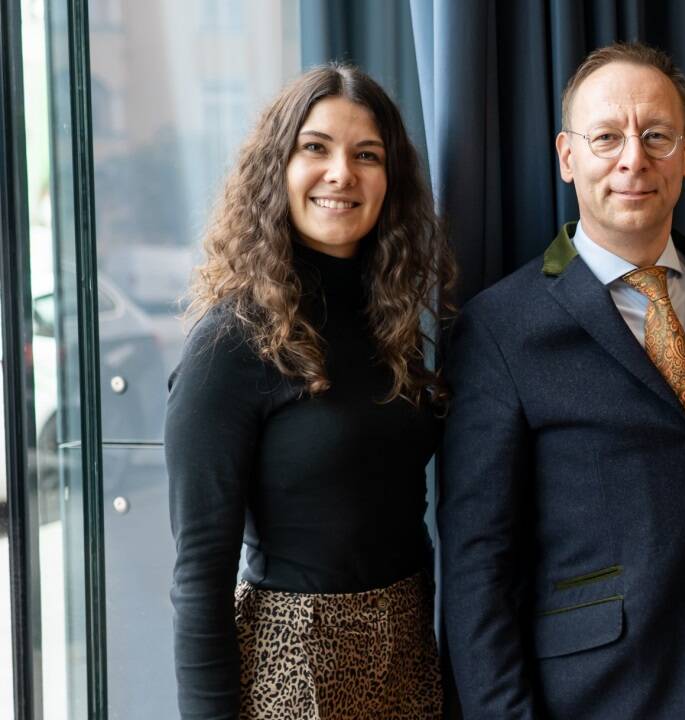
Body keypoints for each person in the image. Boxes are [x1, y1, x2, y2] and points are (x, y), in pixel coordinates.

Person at [440, 42, 685, 719]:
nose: (633, 160)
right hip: (592, 696)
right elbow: (479, 562)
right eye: (606, 138)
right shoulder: (501, 326)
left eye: (656, 136)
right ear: (567, 157)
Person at [166, 63, 454, 720]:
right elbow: (199, 577)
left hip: (409, 653)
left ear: (391, 181)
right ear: (279, 170)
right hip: (291, 669)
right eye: (315, 148)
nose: (341, 174)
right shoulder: (230, 343)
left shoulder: (394, 324)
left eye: (367, 155)